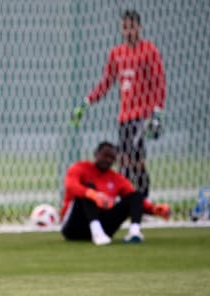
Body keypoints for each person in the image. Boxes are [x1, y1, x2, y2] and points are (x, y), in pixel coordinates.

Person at [70, 9, 166, 198]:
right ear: (121, 30)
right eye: (125, 28)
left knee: (128, 159)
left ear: (139, 27)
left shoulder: (149, 50)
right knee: (130, 160)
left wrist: (157, 112)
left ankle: (139, 201)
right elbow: (106, 82)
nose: (129, 31)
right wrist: (86, 102)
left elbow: (159, 82)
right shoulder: (117, 54)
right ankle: (137, 201)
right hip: (124, 116)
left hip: (141, 115)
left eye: (132, 27)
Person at [60, 141, 170, 246]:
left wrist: (154, 209)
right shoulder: (80, 167)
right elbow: (71, 186)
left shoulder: (116, 179)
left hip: (105, 229)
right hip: (73, 227)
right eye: (105, 155)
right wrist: (92, 194)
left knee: (136, 195)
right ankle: (96, 232)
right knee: (89, 190)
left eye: (112, 158)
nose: (108, 160)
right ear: (96, 154)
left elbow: (135, 199)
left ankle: (134, 233)